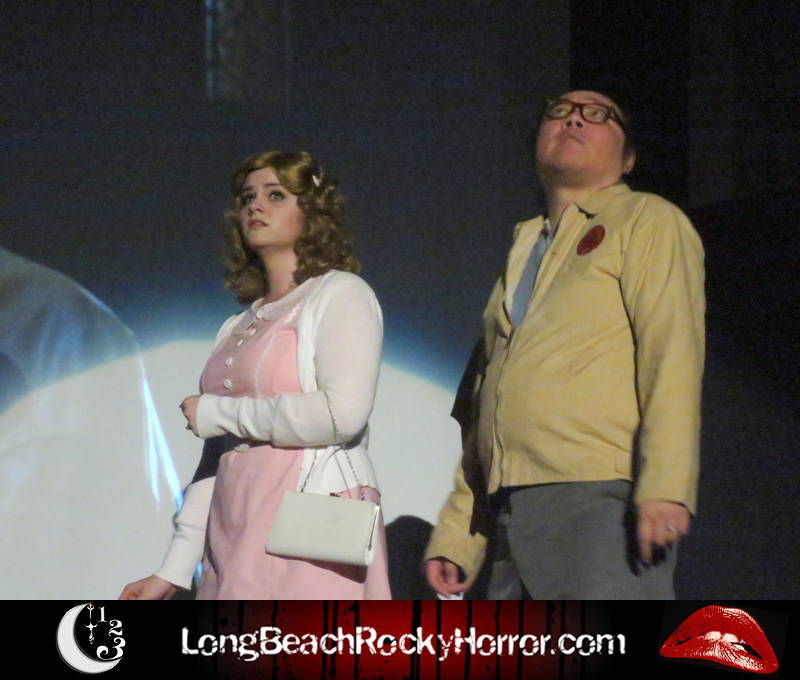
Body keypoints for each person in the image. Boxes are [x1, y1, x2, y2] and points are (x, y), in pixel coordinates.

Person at [425, 91, 705, 599]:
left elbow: (673, 357)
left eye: (597, 115)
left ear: (628, 158)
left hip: (600, 498)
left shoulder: (646, 219)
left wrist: (666, 485)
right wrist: (461, 533)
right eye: (559, 112)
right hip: (511, 512)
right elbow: (484, 403)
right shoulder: (524, 246)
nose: (574, 119)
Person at [120, 150, 391, 599]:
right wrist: (172, 570)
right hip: (234, 523)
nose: (256, 206)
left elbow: (342, 415)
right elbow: (216, 459)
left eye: (276, 195)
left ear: (312, 211)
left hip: (309, 516)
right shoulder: (237, 325)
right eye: (248, 197)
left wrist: (220, 413)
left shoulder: (340, 293)